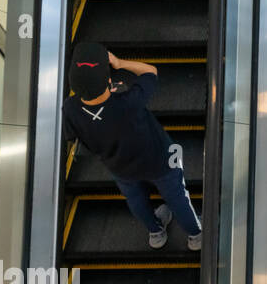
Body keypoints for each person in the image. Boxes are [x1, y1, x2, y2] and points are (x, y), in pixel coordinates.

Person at [63, 44, 203, 251]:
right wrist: (119, 63)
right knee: (177, 197)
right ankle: (195, 235)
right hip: (161, 160)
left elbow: (74, 136)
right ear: (109, 82)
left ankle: (156, 232)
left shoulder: (71, 108)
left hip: (119, 166)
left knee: (136, 200)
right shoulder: (129, 102)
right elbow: (150, 71)